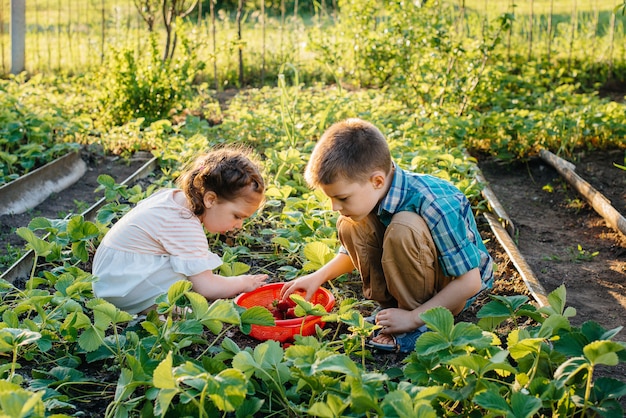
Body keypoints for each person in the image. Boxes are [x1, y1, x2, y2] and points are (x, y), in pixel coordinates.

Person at [281, 118, 494, 353]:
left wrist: (414, 317)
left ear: (377, 180)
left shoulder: (434, 203)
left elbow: (470, 282)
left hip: (456, 290)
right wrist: (317, 277)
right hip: (423, 276)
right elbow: (354, 252)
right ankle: (395, 310)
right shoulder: (374, 193)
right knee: (351, 223)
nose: (334, 207)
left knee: (404, 227)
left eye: (342, 198)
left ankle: (420, 325)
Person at [92, 147, 268, 314]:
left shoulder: (173, 197)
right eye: (237, 216)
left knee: (184, 262)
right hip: (121, 290)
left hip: (110, 278)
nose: (239, 226)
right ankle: (155, 307)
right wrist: (243, 282)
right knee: (186, 272)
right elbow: (206, 287)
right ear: (211, 200)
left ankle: (150, 305)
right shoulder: (185, 224)